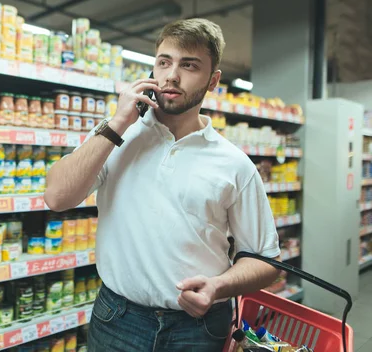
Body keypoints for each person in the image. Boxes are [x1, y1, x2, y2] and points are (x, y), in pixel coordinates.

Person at [44, 18, 281, 351]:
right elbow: (56, 197)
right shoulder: (116, 135)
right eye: (164, 62)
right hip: (118, 320)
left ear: (213, 81)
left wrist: (218, 286)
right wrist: (118, 122)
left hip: (199, 329)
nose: (172, 75)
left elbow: (265, 261)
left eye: (189, 65)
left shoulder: (234, 164)